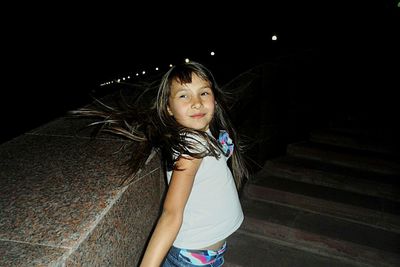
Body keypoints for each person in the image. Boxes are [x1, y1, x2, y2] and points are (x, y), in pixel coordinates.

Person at [71, 61, 248, 266]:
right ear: (168, 108)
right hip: (192, 259)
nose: (197, 102)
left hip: (206, 254)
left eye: (204, 93)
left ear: (215, 100)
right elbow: (171, 213)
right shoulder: (193, 145)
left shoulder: (201, 134)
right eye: (184, 95)